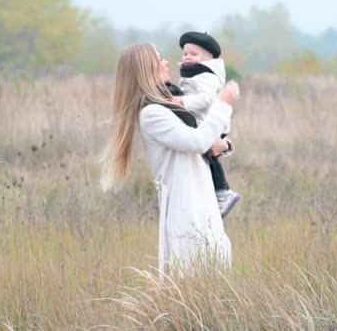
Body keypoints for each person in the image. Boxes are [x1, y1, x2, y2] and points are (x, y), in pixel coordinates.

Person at [100, 43, 240, 276]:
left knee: (215, 285)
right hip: (187, 212)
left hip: (202, 206)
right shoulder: (153, 114)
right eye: (160, 58)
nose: (167, 63)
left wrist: (224, 144)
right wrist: (223, 104)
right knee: (194, 285)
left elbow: (204, 140)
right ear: (147, 69)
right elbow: (196, 141)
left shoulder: (171, 107)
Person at [171, 31, 241, 218]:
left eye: (194, 54)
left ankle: (223, 192)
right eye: (185, 53)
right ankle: (215, 194)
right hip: (204, 123)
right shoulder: (194, 73)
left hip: (210, 122)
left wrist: (181, 101)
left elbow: (205, 99)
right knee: (208, 158)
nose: (187, 57)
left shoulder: (206, 75)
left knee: (211, 158)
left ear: (207, 58)